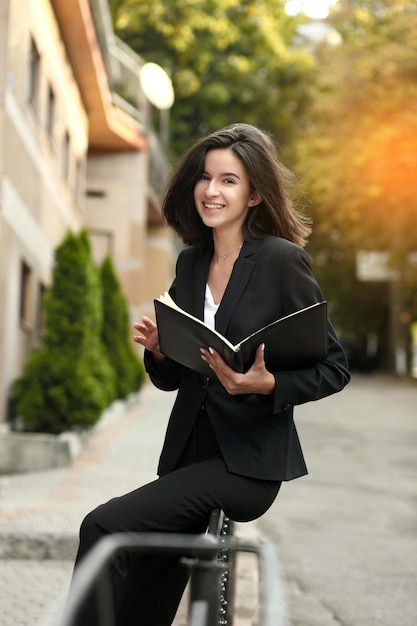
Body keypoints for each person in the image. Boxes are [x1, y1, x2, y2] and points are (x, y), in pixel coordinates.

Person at [72, 123, 350, 625]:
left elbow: (335, 366)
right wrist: (160, 353)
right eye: (205, 178)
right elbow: (175, 379)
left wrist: (267, 385)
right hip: (185, 457)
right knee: (147, 594)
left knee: (103, 526)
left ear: (254, 195)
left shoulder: (281, 262)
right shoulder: (190, 264)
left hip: (246, 465)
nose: (211, 191)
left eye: (228, 180)